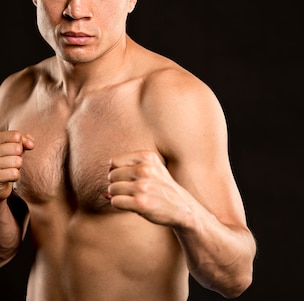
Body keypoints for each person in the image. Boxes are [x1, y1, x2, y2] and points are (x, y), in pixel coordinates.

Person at [0, 0, 256, 300]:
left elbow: (235, 277)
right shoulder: (14, 94)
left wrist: (184, 211)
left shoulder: (177, 99)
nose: (76, 10)